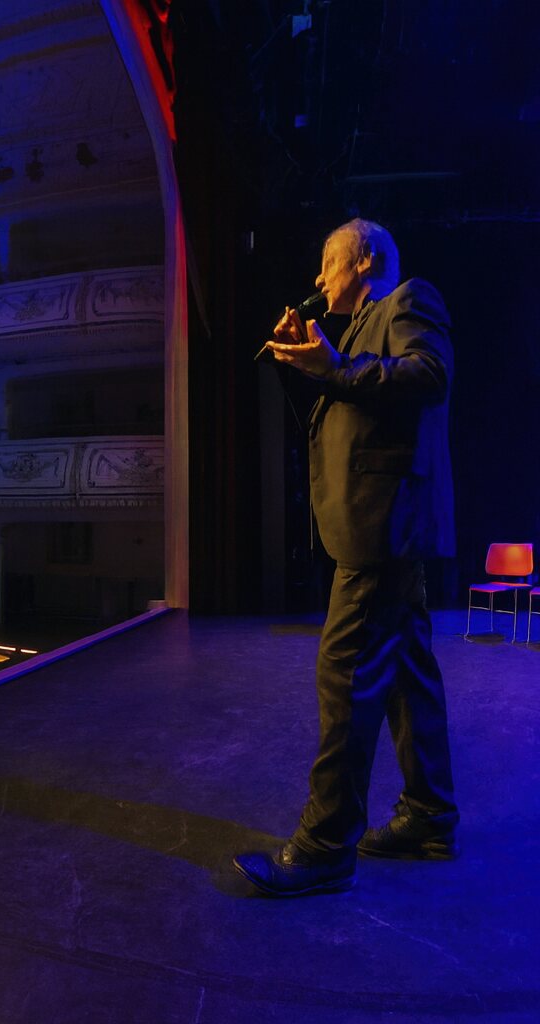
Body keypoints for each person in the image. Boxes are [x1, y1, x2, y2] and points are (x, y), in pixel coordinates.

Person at [234, 219, 458, 897]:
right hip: (377, 526)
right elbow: (348, 406)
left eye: (327, 264)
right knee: (405, 675)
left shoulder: (406, 301)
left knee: (347, 675)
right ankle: (428, 815)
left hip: (383, 526)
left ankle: (326, 845)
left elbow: (430, 374)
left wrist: (335, 367)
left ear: (362, 262)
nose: (317, 279)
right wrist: (307, 365)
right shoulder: (355, 331)